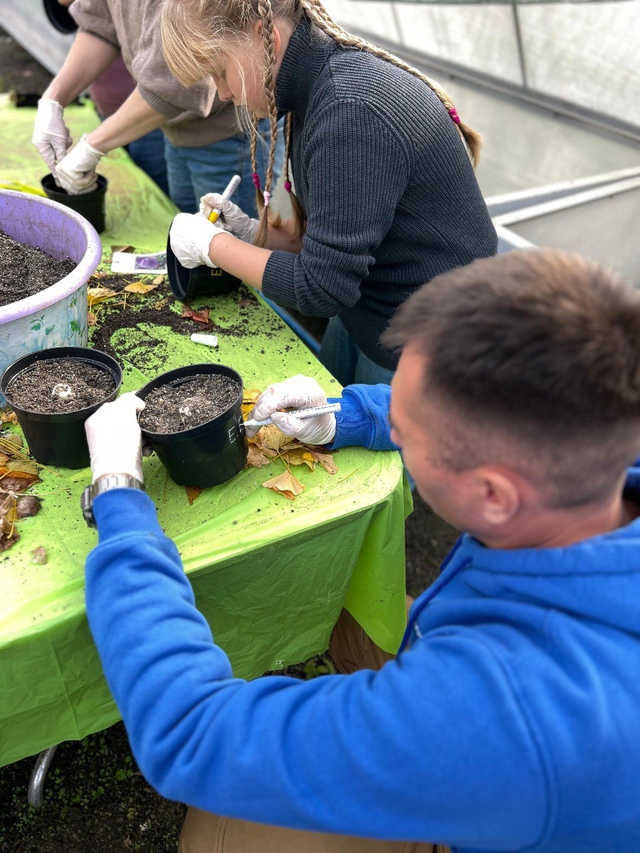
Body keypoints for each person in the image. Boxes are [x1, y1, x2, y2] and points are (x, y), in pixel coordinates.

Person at [82, 247, 640, 852]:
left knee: (217, 835)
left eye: (409, 431)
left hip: (508, 764)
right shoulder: (605, 433)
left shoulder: (506, 711)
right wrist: (347, 415)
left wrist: (119, 494)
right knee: (335, 603)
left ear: (495, 494)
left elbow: (195, 739)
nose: (395, 430)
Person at [164, 0, 497, 386]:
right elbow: (331, 244)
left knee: (372, 443)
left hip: (429, 343)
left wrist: (214, 247)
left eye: (221, 72)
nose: (222, 93)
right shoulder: (316, 84)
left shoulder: (349, 111)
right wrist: (249, 233)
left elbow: (322, 288)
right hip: (368, 310)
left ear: (265, 36)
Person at [31, 0, 283, 215]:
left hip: (231, 136)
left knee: (226, 260)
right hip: (177, 130)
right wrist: (52, 100)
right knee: (189, 247)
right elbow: (99, 25)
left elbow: (181, 80)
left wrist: (92, 147)